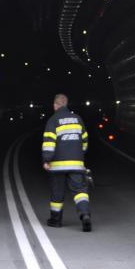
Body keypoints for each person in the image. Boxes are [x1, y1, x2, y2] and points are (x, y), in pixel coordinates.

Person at [42, 93, 91, 232]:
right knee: (80, 191)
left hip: (57, 165)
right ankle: (85, 214)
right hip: (76, 163)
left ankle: (55, 221)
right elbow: (85, 140)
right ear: (66, 104)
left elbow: (49, 143)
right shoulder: (77, 119)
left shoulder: (53, 120)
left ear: (55, 105)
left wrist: (46, 160)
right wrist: (80, 154)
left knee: (57, 192)